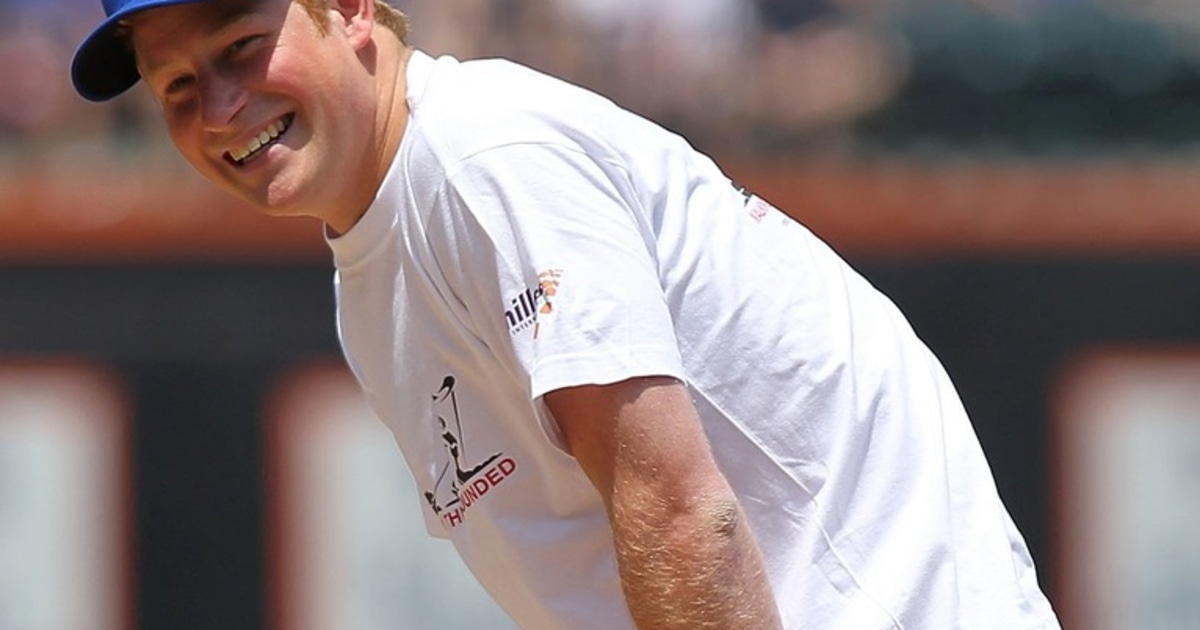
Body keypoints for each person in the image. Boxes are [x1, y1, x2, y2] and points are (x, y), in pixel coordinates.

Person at [70, 0, 1063, 628]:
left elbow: (681, 514)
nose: (219, 109)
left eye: (242, 46)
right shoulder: (374, 265)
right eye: (179, 87)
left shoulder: (486, 160)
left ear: (350, 9)